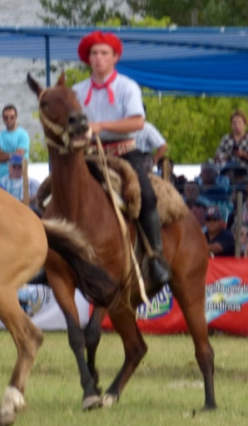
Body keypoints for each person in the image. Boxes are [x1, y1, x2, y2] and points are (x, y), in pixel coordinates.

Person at [74, 30, 169, 290]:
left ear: (115, 57)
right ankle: (50, 258)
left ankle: (155, 258)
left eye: (104, 53)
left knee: (146, 196)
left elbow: (138, 121)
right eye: (93, 53)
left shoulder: (127, 86)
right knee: (53, 193)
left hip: (124, 151)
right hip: (89, 154)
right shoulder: (77, 90)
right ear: (87, 59)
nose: (98, 58)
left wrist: (101, 125)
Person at [0, 105, 30, 183]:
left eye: (11, 117)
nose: (9, 119)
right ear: (3, 118)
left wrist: (3, 154)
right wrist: (12, 154)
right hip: (1, 177)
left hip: (18, 177)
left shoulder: (23, 135)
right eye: (6, 117)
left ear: (16, 117)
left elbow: (18, 155)